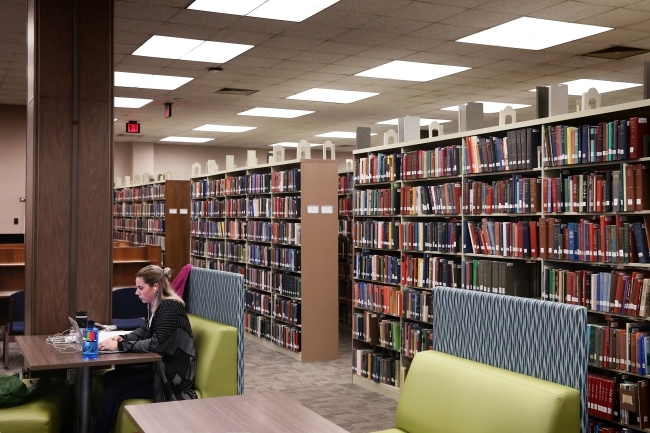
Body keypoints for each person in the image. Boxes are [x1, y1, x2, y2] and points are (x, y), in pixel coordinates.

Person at [94, 265, 197, 433]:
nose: (136, 292)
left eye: (140, 288)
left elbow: (157, 344)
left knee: (114, 390)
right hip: (159, 365)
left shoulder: (170, 308)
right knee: (109, 378)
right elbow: (145, 330)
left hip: (170, 375)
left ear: (155, 287)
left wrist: (120, 346)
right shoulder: (157, 304)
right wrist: (123, 338)